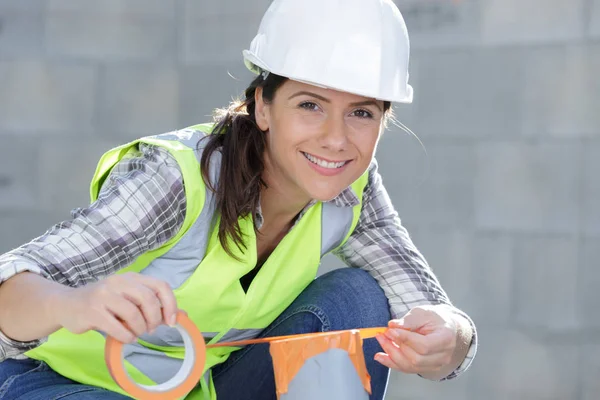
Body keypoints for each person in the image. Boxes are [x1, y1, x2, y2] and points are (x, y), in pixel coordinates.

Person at [0, 0, 477, 399]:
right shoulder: (176, 177)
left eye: (361, 112)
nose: (337, 139)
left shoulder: (353, 189)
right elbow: (9, 290)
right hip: (64, 383)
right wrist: (73, 304)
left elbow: (431, 310)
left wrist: (450, 338)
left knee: (358, 296)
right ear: (262, 106)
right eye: (310, 104)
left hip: (199, 387)